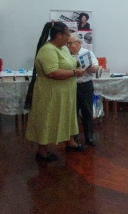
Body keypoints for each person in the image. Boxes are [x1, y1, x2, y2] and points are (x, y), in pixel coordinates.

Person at [26, 22, 88, 162]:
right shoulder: (48, 50)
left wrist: (78, 65)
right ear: (59, 35)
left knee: (67, 116)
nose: (68, 38)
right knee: (47, 118)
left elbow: (68, 63)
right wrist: (74, 72)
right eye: (67, 35)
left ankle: (70, 142)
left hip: (65, 92)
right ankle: (42, 152)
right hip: (50, 93)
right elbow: (52, 72)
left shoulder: (62, 49)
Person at [67, 33, 99, 146]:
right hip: (71, 86)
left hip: (85, 85)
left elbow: (96, 67)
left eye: (71, 43)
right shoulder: (65, 54)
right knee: (72, 113)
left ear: (79, 43)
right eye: (68, 43)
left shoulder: (87, 53)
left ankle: (89, 137)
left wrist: (92, 68)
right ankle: (73, 139)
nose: (69, 46)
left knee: (87, 112)